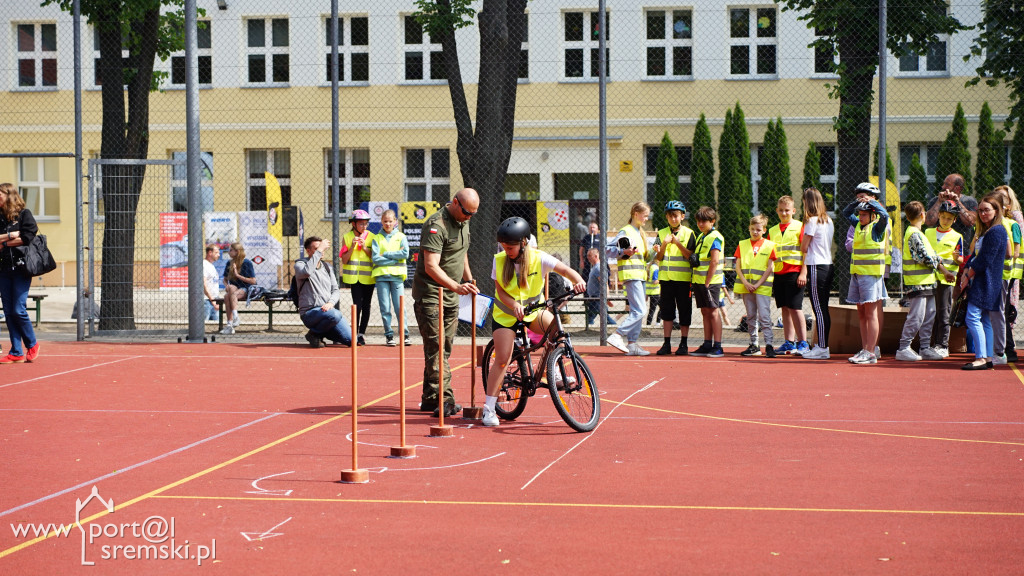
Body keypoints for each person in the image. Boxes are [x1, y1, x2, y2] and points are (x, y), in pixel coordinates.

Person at [481, 217, 586, 427]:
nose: (506, 250)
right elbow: (500, 292)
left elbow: (565, 270)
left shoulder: (539, 258)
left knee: (556, 330)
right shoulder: (499, 260)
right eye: (504, 246)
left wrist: (579, 281)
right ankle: (489, 409)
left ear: (523, 243)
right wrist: (513, 305)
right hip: (505, 314)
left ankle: (551, 366)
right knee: (502, 358)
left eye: (510, 247)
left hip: (532, 312)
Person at [411, 188, 480, 417]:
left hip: (451, 296)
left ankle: (431, 398)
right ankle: (446, 400)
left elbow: (463, 252)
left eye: (473, 214)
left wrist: (468, 279)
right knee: (437, 349)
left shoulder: (463, 222)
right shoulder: (437, 225)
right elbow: (431, 266)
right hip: (431, 296)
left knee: (443, 349)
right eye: (467, 212)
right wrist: (456, 286)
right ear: (455, 203)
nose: (469, 217)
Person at [895, 201, 956, 361]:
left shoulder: (920, 234)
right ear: (922, 215)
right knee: (917, 316)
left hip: (928, 282)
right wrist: (941, 263)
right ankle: (903, 347)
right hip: (917, 282)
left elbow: (931, 255)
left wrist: (944, 271)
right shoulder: (913, 234)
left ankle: (924, 347)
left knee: (929, 314)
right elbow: (925, 257)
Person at [960, 193, 1009, 370]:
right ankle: (988, 358)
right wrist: (966, 268)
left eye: (986, 210)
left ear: (996, 211)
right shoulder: (986, 231)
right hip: (984, 280)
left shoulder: (997, 231)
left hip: (986, 281)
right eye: (980, 210)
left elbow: (984, 260)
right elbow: (975, 255)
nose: (982, 213)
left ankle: (980, 358)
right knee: (985, 320)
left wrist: (967, 276)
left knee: (972, 317)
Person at [844, 181, 888, 359]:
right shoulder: (858, 225)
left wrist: (871, 202)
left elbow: (884, 215)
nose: (860, 217)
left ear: (872, 215)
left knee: (871, 314)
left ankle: (871, 351)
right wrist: (857, 203)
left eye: (864, 214)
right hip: (857, 274)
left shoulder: (877, 227)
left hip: (870, 275)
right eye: (860, 214)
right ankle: (865, 349)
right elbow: (846, 213)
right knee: (861, 313)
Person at [606, 201, 652, 356]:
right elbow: (608, 250)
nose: (646, 219)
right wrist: (624, 252)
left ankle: (632, 344)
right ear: (636, 214)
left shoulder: (640, 233)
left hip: (640, 275)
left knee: (637, 310)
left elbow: (643, 257)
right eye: (645, 216)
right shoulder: (626, 231)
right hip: (631, 275)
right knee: (640, 310)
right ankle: (617, 335)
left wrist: (656, 251)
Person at [0, 183, 40, 363]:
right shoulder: (0, 217)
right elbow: (19, 237)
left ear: (9, 195)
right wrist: (11, 236)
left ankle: (32, 344)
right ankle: (16, 351)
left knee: (18, 309)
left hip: (21, 268)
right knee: (8, 312)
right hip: (3, 269)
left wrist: (4, 243)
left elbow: (28, 237)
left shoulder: (24, 215)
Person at [653, 200, 696, 356]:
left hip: (684, 279)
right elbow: (659, 256)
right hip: (666, 279)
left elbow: (690, 255)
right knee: (667, 312)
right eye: (670, 216)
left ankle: (683, 343)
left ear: (682, 216)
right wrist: (663, 244)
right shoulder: (662, 233)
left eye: (676, 216)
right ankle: (666, 343)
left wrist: (677, 242)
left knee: (684, 311)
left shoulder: (689, 233)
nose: (673, 219)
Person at [797, 187, 835, 360]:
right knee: (823, 308)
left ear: (808, 202)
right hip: (827, 265)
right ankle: (822, 346)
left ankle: (822, 347)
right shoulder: (828, 220)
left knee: (818, 309)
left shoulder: (811, 221)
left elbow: (804, 247)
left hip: (816, 266)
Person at [767, 196, 807, 355]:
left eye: (787, 210)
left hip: (795, 272)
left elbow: (806, 251)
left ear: (794, 211)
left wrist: (803, 272)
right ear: (777, 211)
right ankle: (789, 342)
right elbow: (769, 254)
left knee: (795, 308)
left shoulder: (799, 227)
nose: (784, 213)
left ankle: (803, 342)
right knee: (784, 307)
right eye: (781, 210)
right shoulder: (772, 230)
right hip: (779, 273)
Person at [295, 236, 352, 348]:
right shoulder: (300, 265)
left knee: (351, 340)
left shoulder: (327, 267)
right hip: (310, 312)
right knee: (335, 314)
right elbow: (307, 272)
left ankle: (319, 333)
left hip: (327, 311)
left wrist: (330, 303)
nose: (321, 251)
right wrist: (320, 250)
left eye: (322, 248)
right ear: (308, 250)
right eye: (317, 248)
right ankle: (315, 333)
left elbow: (335, 290)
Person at [734, 214, 777, 357]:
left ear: (764, 230)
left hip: (762, 287)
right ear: (749, 228)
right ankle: (754, 344)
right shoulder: (742, 244)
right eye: (752, 229)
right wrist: (746, 283)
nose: (755, 232)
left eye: (758, 229)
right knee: (751, 316)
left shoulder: (770, 245)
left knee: (765, 316)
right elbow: (738, 267)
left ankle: (769, 345)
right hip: (747, 286)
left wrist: (758, 284)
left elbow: (770, 268)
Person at [926, 201, 964, 359]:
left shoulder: (957, 236)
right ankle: (928, 344)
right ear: (938, 216)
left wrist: (958, 259)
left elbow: (960, 259)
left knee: (944, 313)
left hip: (946, 280)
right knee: (929, 313)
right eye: (943, 217)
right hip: (928, 278)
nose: (945, 220)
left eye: (949, 218)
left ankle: (942, 345)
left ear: (954, 220)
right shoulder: (927, 233)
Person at [989, 187, 1020, 365]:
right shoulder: (992, 224)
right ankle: (997, 348)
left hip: (1006, 273)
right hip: (994, 273)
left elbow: (1015, 252)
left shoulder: (1013, 224)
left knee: (1003, 310)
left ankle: (1007, 349)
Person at [372, 209, 410, 347]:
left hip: (397, 277)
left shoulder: (401, 236)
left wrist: (386, 254)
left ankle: (404, 334)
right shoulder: (377, 238)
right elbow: (376, 258)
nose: (388, 224)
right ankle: (389, 335)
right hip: (381, 277)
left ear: (395, 222)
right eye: (385, 221)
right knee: (385, 307)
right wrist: (395, 259)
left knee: (399, 307)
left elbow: (405, 254)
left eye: (390, 221)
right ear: (381, 222)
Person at [690, 206, 725, 358]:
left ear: (712, 221)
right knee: (705, 312)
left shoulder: (714, 237)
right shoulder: (701, 236)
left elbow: (714, 261)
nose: (700, 224)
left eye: (704, 221)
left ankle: (718, 346)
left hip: (710, 282)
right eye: (698, 221)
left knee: (713, 312)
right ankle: (707, 344)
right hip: (699, 281)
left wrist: (707, 282)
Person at [341, 209, 374, 346]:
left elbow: (375, 258)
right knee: (357, 306)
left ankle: (361, 334)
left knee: (366, 306)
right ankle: (354, 334)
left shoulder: (372, 237)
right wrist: (352, 247)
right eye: (361, 224)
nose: (364, 226)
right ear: (353, 224)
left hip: (368, 278)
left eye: (366, 224)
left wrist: (365, 247)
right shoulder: (347, 237)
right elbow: (344, 260)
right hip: (354, 278)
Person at [926, 173, 978, 245]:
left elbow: (971, 222)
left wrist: (957, 202)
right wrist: (939, 202)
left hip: (962, 249)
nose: (943, 187)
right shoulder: (935, 201)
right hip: (939, 248)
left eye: (947, 185)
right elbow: (929, 222)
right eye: (944, 184)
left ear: (957, 188)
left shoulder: (969, 201)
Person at [220, 242, 256, 335]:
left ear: (237, 251)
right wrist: (226, 285)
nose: (229, 252)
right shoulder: (229, 262)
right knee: (230, 291)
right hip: (234, 288)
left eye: (231, 250)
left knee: (229, 296)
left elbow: (253, 281)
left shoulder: (247, 262)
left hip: (245, 288)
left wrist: (237, 275)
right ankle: (233, 322)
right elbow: (224, 279)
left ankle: (231, 323)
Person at [584, 247, 617, 328]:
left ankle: (589, 330)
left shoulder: (598, 268)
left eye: (589, 255)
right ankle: (589, 329)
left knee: (596, 316)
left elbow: (604, 284)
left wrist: (607, 297)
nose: (587, 257)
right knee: (602, 316)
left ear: (595, 256)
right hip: (595, 297)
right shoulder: (595, 267)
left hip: (597, 297)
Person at [202, 244, 220, 322]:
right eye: (216, 252)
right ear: (210, 252)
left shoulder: (211, 266)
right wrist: (213, 301)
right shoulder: (204, 265)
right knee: (204, 325)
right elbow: (203, 285)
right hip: (206, 301)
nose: (219, 255)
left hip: (214, 299)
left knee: (216, 325)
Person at [645, 261, 660, 325]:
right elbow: (655, 281)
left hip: (651, 291)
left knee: (652, 309)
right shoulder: (656, 268)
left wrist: (646, 293)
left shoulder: (649, 268)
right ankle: (657, 322)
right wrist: (662, 280)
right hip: (655, 291)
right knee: (661, 308)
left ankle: (648, 324)